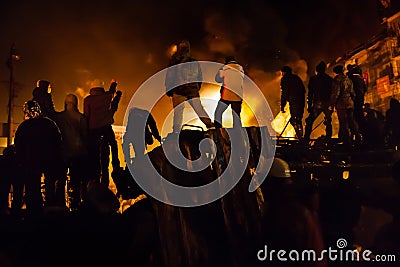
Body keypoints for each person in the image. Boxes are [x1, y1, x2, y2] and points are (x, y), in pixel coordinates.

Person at [14, 100, 65, 214]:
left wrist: (20, 160)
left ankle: (34, 210)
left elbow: (19, 146)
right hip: (49, 159)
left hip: (31, 161)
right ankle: (50, 205)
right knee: (49, 184)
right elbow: (58, 142)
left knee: (33, 186)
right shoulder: (50, 124)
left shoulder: (24, 127)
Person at [165, 40, 214, 133]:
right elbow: (199, 77)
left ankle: (176, 133)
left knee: (178, 114)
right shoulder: (194, 61)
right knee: (200, 110)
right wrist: (196, 88)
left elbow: (170, 76)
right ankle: (211, 127)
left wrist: (169, 90)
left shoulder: (174, 61)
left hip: (179, 90)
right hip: (192, 90)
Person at [84, 79, 122, 187]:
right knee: (107, 155)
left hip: (93, 132)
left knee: (95, 158)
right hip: (106, 130)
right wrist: (114, 83)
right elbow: (112, 91)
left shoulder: (88, 100)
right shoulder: (107, 96)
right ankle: (106, 182)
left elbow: (86, 116)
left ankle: (95, 184)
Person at [56, 94, 89, 209]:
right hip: (78, 153)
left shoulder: (59, 117)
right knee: (77, 181)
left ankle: (60, 203)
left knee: (61, 179)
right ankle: (76, 204)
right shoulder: (81, 118)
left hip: (63, 154)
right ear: (76, 103)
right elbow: (85, 136)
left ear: (66, 103)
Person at [330, 65, 360, 146]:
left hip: (341, 105)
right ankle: (357, 137)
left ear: (335, 72)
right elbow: (353, 93)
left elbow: (335, 93)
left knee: (343, 122)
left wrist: (332, 104)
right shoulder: (349, 80)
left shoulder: (337, 80)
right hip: (350, 104)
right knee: (351, 121)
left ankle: (347, 141)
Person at [304, 61, 334, 141]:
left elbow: (310, 94)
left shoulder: (313, 79)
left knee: (309, 121)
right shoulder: (329, 79)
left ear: (316, 70)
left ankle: (306, 138)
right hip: (327, 103)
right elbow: (332, 93)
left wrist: (309, 105)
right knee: (328, 121)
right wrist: (332, 105)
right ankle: (328, 139)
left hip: (317, 104)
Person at [214, 56, 244, 129]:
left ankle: (218, 130)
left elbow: (217, 79)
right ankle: (238, 132)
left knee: (218, 113)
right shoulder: (241, 68)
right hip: (238, 96)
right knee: (236, 116)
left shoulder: (224, 68)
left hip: (226, 95)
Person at [280, 66, 306, 139]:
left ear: (284, 72)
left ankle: (299, 136)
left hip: (294, 102)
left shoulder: (285, 79)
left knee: (293, 120)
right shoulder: (296, 78)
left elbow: (284, 93)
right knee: (298, 119)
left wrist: (282, 106)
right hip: (301, 101)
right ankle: (301, 135)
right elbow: (303, 90)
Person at [347, 64, 367, 134]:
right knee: (360, 116)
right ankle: (364, 133)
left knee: (352, 118)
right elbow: (365, 89)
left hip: (353, 101)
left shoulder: (349, 78)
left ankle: (356, 134)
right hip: (360, 100)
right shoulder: (360, 78)